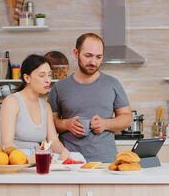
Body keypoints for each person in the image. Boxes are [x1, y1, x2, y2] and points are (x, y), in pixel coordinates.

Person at [48, 33, 132, 163]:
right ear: (76, 53)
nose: (93, 62)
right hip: (69, 160)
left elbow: (127, 117)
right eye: (88, 56)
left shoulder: (113, 84)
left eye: (99, 57)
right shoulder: (59, 87)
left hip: (105, 161)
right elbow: (50, 123)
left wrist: (106, 123)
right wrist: (66, 124)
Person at [0, 54, 69, 160]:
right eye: (42, 75)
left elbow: (53, 141)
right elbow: (6, 143)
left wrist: (63, 151)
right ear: (27, 78)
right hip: (13, 162)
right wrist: (27, 158)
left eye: (49, 75)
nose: (48, 80)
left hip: (36, 160)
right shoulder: (12, 102)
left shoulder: (46, 107)